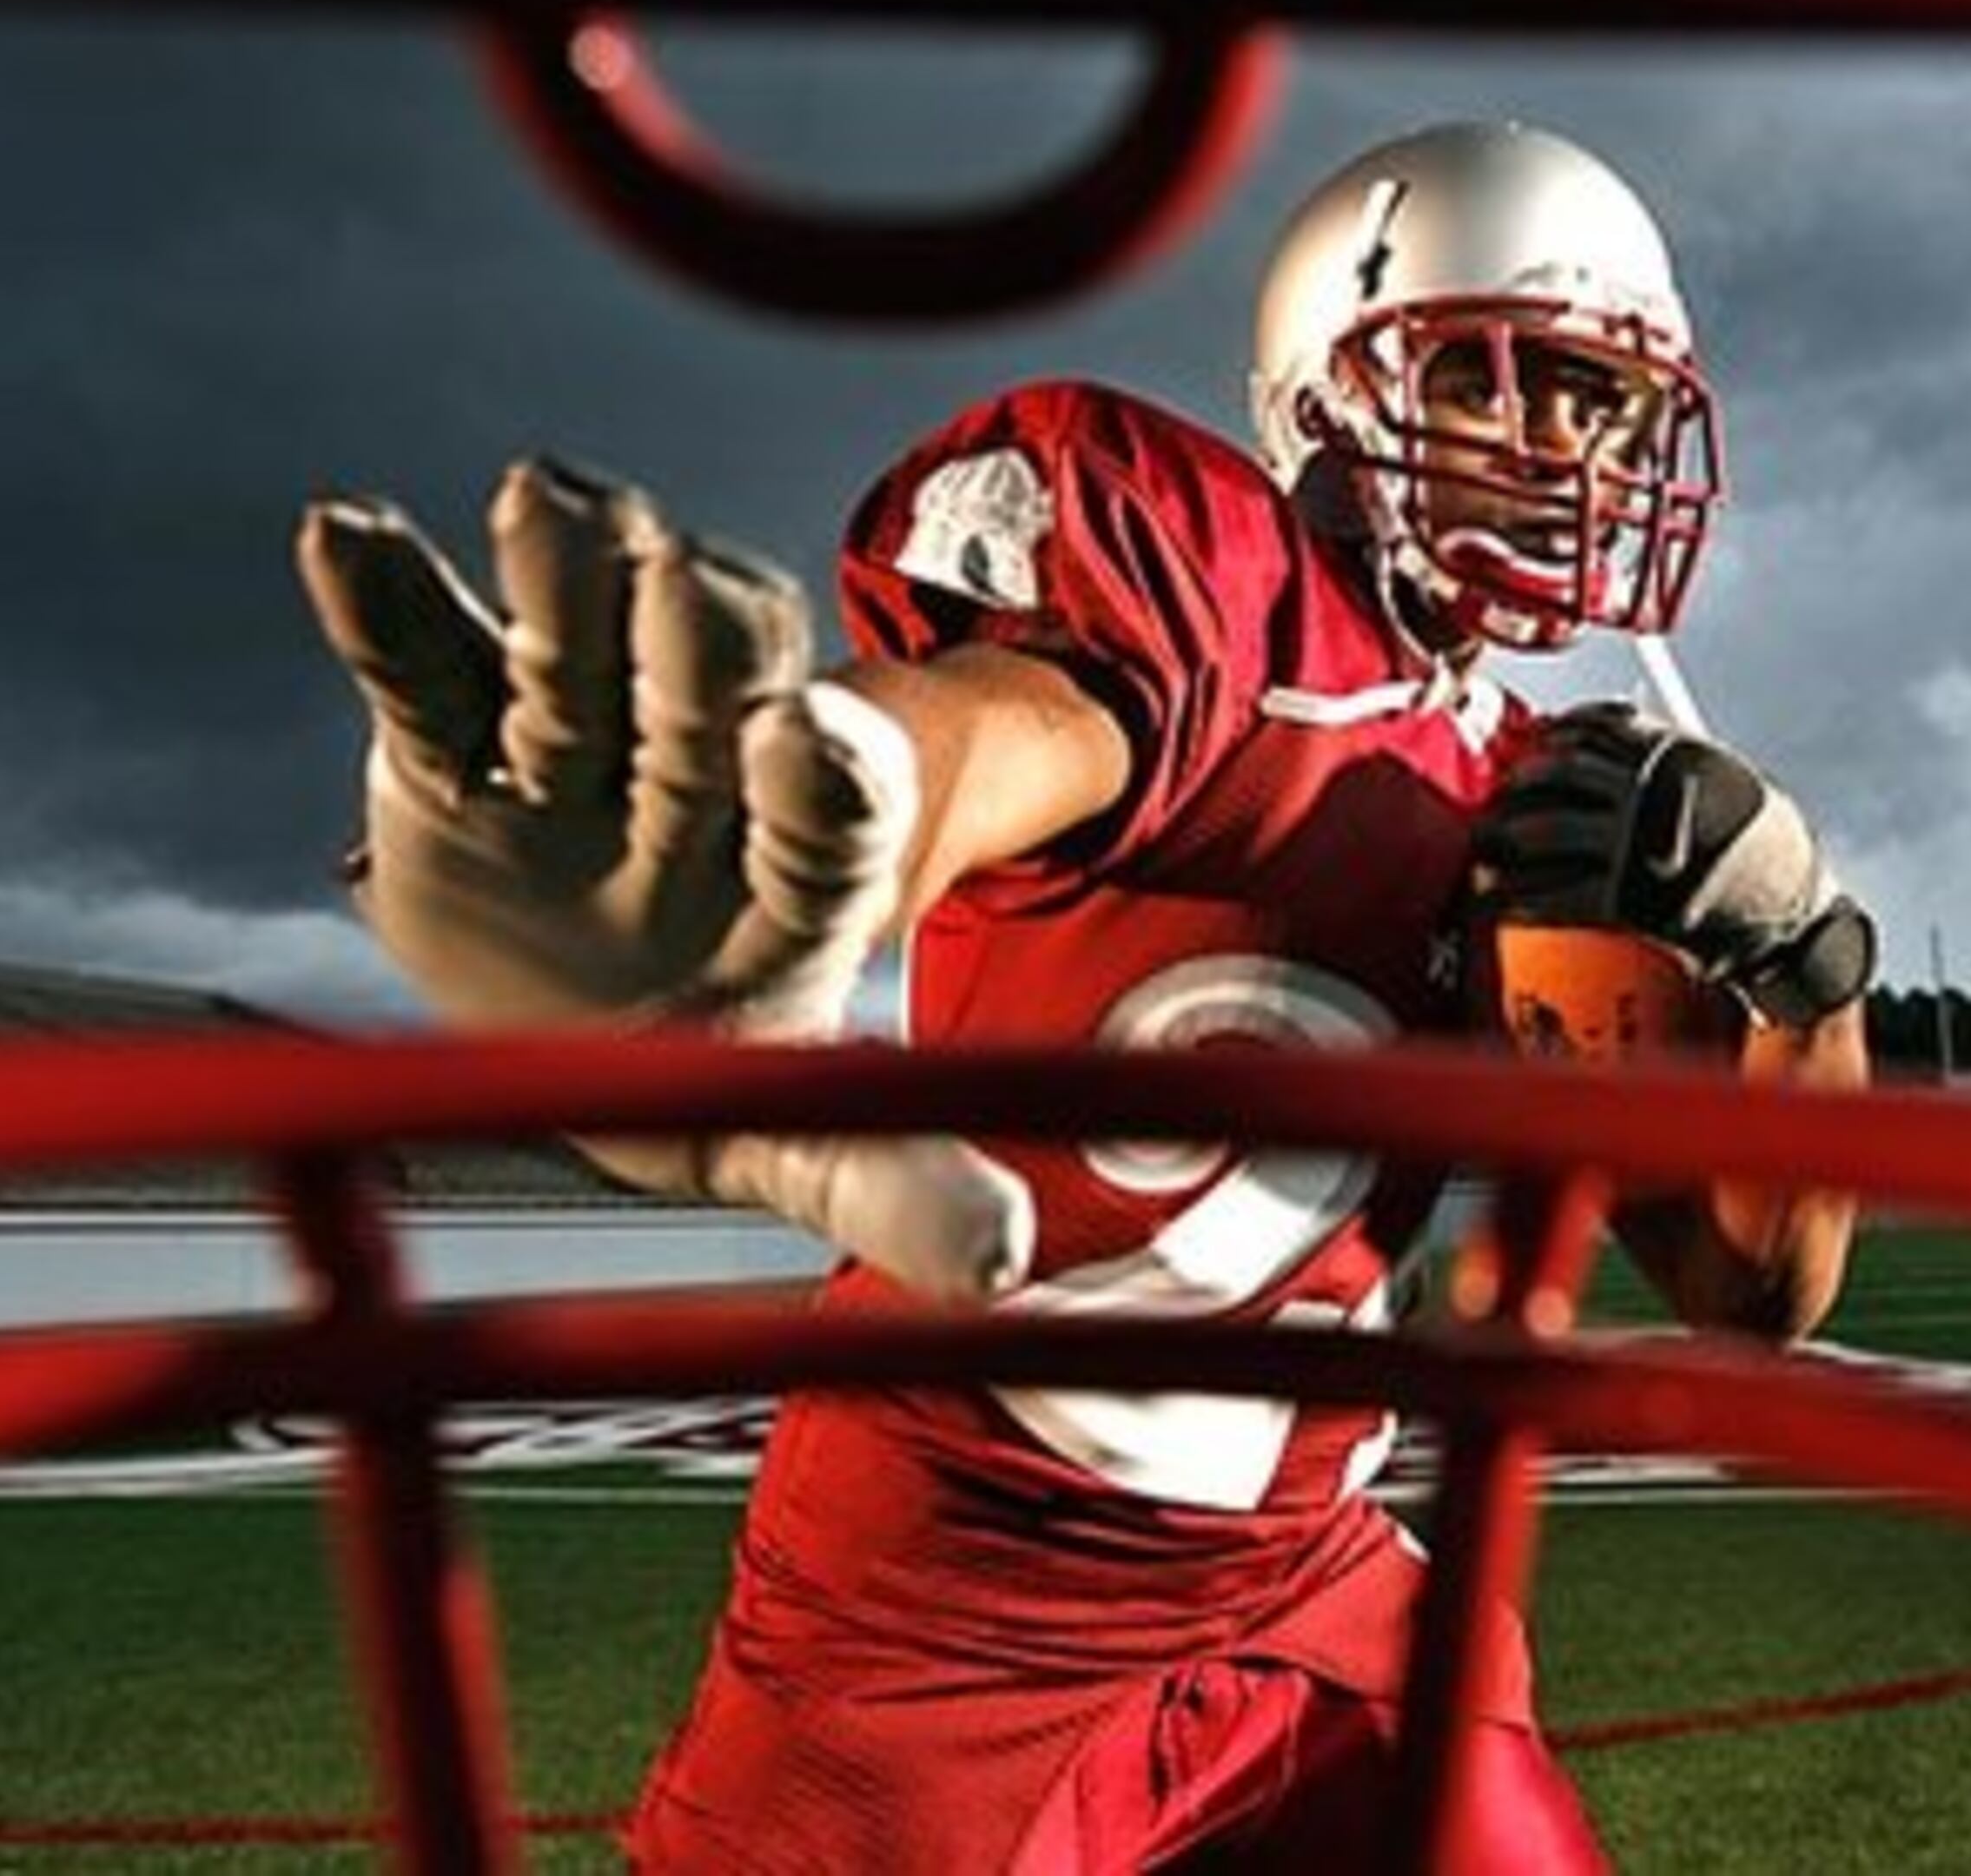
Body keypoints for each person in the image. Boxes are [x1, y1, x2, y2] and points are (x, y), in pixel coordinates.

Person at [298, 120, 1875, 1872]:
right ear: (1338, 393)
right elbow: (997, 730)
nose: (1564, 451)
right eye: (1510, 382)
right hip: (957, 1603)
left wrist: (1812, 963)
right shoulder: (1222, 596)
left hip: (1307, 1594)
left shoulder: (1566, 815)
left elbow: (1760, 1290)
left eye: (1604, 405)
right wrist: (771, 856)